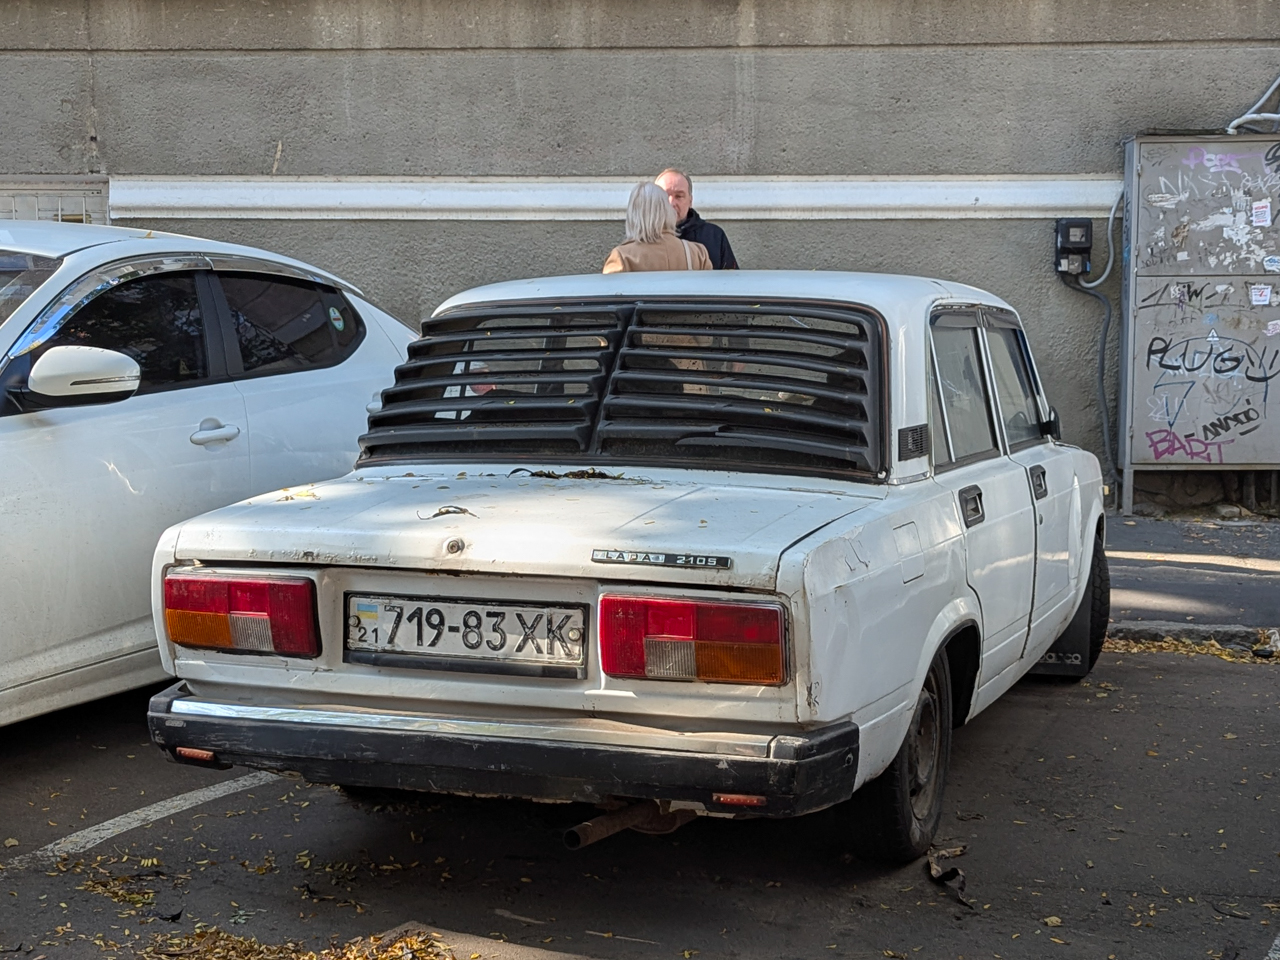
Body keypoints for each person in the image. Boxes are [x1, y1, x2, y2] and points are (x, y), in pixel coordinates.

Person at [602, 182, 712, 273]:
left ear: (633, 215)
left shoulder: (622, 257)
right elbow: (710, 294)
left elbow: (610, 295)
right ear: (667, 210)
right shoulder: (697, 253)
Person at [655, 168, 739, 270]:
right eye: (665, 196)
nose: (672, 203)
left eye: (679, 196)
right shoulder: (641, 237)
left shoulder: (713, 236)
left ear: (690, 201)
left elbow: (731, 281)